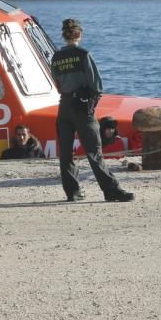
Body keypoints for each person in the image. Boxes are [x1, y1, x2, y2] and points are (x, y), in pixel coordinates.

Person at [50, 18, 133, 202]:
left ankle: (72, 192)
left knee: (65, 153)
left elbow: (56, 83)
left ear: (64, 35)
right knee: (94, 152)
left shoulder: (56, 57)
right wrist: (90, 106)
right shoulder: (83, 54)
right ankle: (111, 191)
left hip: (64, 106)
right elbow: (97, 86)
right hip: (82, 107)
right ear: (79, 34)